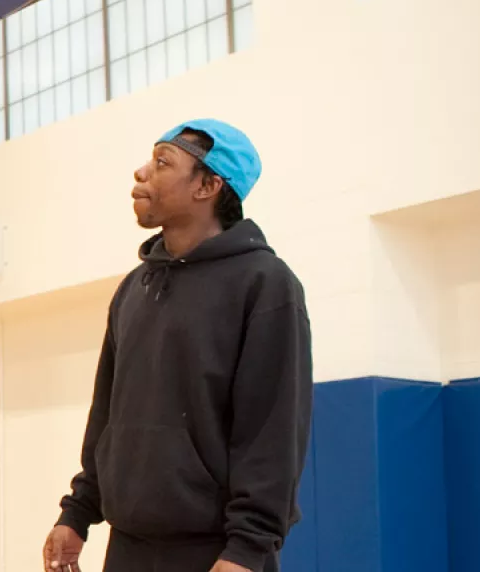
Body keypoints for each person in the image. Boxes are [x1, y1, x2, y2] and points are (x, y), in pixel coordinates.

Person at [43, 119, 312, 572]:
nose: (141, 173)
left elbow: (273, 429)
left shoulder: (265, 285)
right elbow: (107, 416)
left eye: (162, 162)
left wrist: (247, 549)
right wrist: (78, 512)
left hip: (216, 556)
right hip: (128, 549)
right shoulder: (133, 288)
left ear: (208, 185)